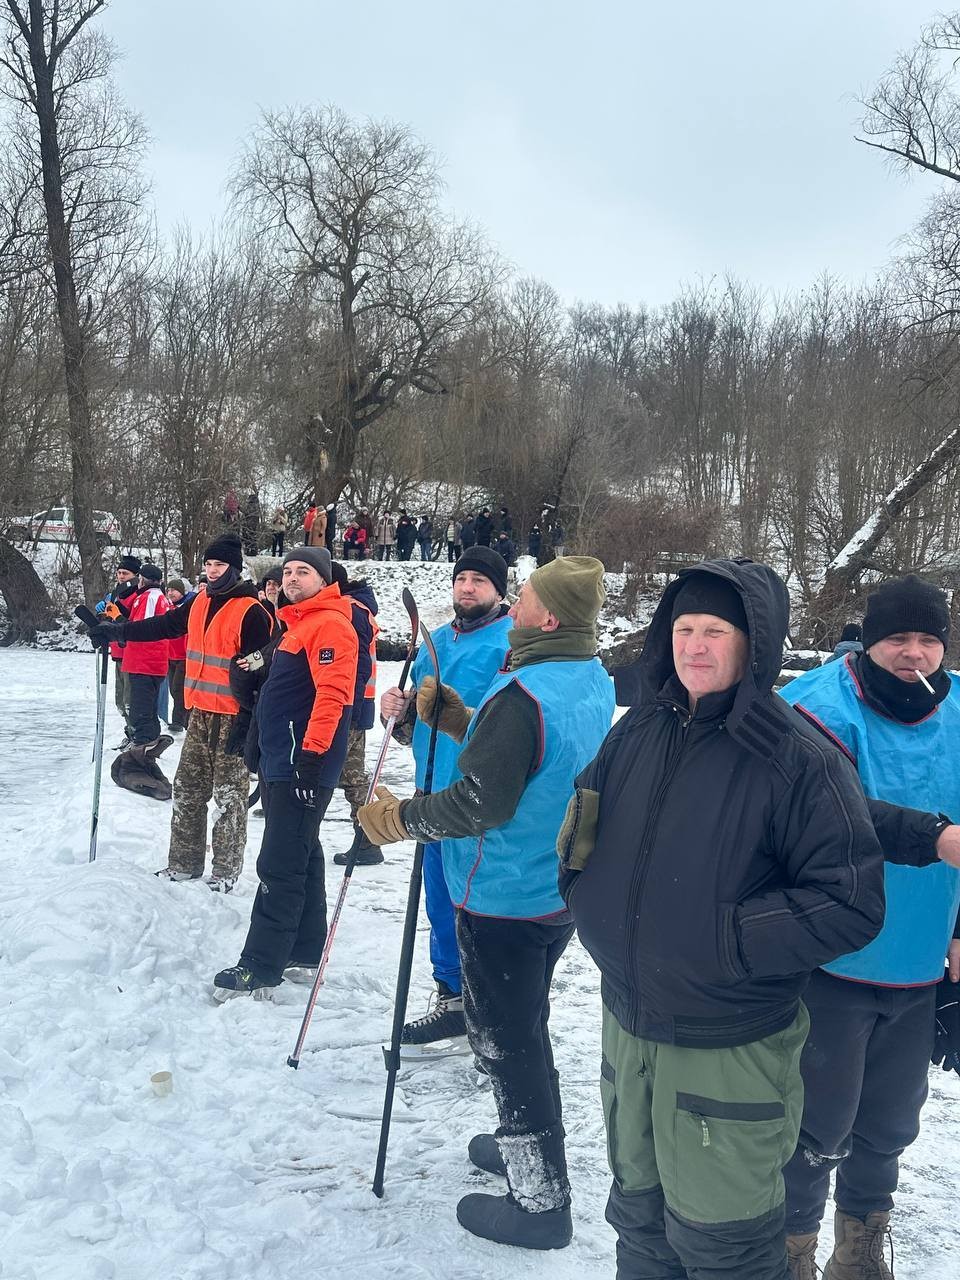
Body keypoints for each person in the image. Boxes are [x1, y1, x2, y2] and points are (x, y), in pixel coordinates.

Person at [561, 559, 886, 1280]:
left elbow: (852, 901)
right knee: (638, 1228)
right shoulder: (638, 729)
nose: (695, 647)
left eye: (715, 631)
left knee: (725, 1251)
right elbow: (583, 826)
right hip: (630, 1030)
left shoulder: (799, 760)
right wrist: (588, 904)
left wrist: (725, 939)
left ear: (754, 646)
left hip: (727, 1050)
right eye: (683, 628)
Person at [360, 557, 615, 1250]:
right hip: (554, 884)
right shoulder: (588, 676)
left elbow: (481, 801)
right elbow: (541, 757)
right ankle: (522, 1140)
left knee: (509, 1041)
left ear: (549, 617)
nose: (515, 602)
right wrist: (461, 721)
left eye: (525, 596)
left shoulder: (526, 690)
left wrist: (399, 820)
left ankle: (540, 1201)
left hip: (502, 891)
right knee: (524, 1022)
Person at [779, 575, 960, 1279]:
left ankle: (859, 1248)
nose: (913, 653)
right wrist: (936, 835)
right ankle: (790, 1249)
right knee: (813, 1126)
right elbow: (833, 817)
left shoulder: (954, 709)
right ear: (869, 640)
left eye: (928, 639)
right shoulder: (817, 708)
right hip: (830, 960)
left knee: (888, 1122)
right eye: (897, 639)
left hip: (919, 961)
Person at [376, 547, 512, 1056]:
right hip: (431, 788)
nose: (468, 588)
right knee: (437, 899)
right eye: (462, 579)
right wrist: (400, 709)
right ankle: (452, 999)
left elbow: (511, 721)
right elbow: (414, 721)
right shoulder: (436, 643)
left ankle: (491, 1016)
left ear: (499, 590)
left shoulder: (510, 645)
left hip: (480, 798)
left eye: (480, 580)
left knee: (476, 907)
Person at [85, 534, 272, 891]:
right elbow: (165, 626)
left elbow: (262, 674)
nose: (213, 572)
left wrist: (249, 725)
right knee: (188, 790)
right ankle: (184, 863)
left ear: (234, 568)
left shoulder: (253, 612)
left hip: (235, 717)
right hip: (200, 713)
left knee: (230, 798)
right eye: (208, 565)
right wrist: (119, 632)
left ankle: (225, 871)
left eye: (219, 566)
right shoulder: (200, 600)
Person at [213, 545, 358, 998]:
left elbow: (332, 696)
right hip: (283, 759)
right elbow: (277, 694)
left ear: (324, 578)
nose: (293, 578)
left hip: (302, 764)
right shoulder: (299, 623)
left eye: (304, 572)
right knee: (302, 851)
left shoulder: (331, 623)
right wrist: (254, 736)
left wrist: (311, 759)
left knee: (279, 862)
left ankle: (260, 963)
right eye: (289, 571)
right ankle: (304, 948)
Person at [328, 563, 382, 867]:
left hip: (349, 706)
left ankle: (368, 840)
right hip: (356, 705)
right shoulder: (357, 606)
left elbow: (356, 666)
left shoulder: (349, 610)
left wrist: (350, 709)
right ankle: (368, 840)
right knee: (352, 775)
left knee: (346, 776)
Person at [112, 563, 173, 796]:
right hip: (147, 661)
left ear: (143, 580)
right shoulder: (150, 596)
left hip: (144, 661)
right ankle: (145, 747)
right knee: (142, 708)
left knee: (140, 709)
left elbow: (144, 627)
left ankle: (143, 750)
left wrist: (120, 625)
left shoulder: (151, 597)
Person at [95, 554, 141, 746]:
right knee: (120, 702)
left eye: (126, 573)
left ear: (135, 575)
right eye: (119, 572)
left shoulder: (136, 595)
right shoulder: (115, 593)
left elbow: (132, 622)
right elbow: (109, 619)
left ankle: (137, 735)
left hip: (130, 652)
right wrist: (102, 615)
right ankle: (129, 732)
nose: (121, 576)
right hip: (117, 652)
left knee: (130, 700)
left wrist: (117, 613)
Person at [165, 578, 193, 733]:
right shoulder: (170, 608)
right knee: (173, 689)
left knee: (178, 689)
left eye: (173, 590)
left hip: (184, 656)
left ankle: (178, 720)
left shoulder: (187, 608)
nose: (170, 593)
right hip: (172, 655)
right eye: (168, 590)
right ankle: (181, 719)